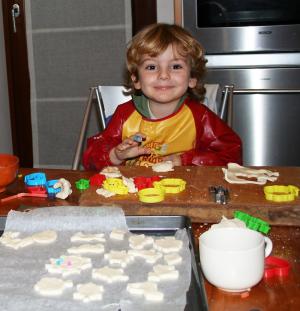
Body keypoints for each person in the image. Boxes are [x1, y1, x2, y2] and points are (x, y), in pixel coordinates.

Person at [83, 23, 242, 170]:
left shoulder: (200, 117)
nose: (164, 75)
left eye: (176, 66)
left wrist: (185, 160)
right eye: (151, 67)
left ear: (192, 78)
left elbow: (231, 155)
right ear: (136, 80)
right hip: (134, 194)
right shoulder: (124, 115)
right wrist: (115, 155)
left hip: (185, 195)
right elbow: (91, 156)